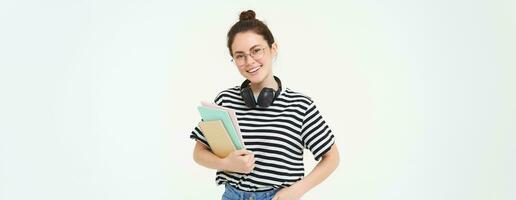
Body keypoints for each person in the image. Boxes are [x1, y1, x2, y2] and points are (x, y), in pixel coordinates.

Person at [190, 10, 340, 200]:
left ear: (273, 48)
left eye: (256, 50)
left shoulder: (300, 106)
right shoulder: (224, 101)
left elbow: (332, 157)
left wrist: (297, 190)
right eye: (240, 55)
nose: (249, 61)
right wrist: (227, 163)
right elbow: (199, 153)